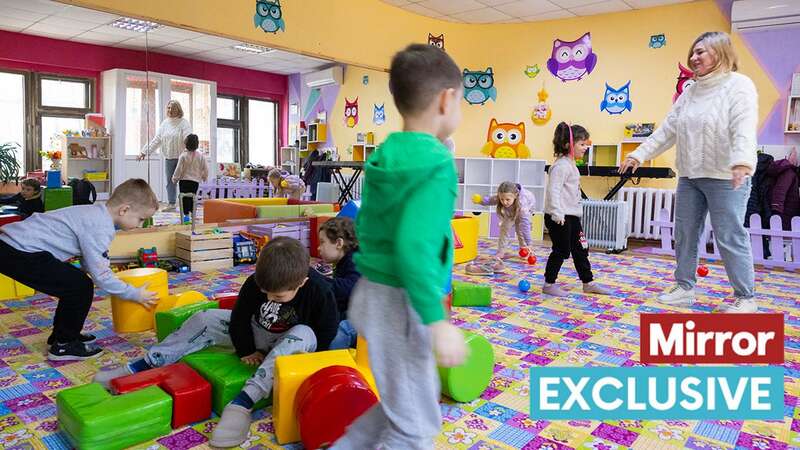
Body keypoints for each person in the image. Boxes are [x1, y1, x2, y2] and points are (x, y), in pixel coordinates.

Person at [331, 43, 467, 450]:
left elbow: (372, 226)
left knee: (403, 406)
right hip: (404, 303)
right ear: (447, 100)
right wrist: (437, 322)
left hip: (373, 294)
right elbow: (415, 246)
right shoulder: (435, 164)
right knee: (415, 427)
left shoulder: (388, 151)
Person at [93, 237, 339, 448]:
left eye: (277, 296)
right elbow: (240, 317)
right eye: (265, 292)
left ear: (302, 283)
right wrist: (247, 350)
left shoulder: (318, 290)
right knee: (206, 317)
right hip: (255, 333)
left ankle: (243, 402)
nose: (268, 297)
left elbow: (326, 331)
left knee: (305, 332)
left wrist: (309, 365)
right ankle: (143, 364)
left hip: (289, 342)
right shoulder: (256, 283)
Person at [619, 31, 759, 313]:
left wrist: (743, 161)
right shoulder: (690, 92)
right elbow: (668, 130)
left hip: (726, 176)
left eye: (701, 52)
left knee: (729, 236)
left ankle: (746, 298)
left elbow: (743, 126)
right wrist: (639, 154)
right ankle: (684, 288)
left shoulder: (739, 85)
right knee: (685, 233)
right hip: (690, 176)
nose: (693, 58)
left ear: (720, 53)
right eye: (692, 53)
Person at [0, 179, 159, 360]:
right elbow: (101, 276)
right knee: (80, 287)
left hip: (15, 247)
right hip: (20, 251)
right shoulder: (100, 226)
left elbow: (89, 261)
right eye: (141, 219)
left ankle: (61, 336)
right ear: (124, 210)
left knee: (76, 282)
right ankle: (64, 344)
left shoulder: (96, 213)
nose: (140, 224)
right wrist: (134, 294)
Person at [543, 122, 612, 297]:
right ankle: (549, 283)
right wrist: (557, 213)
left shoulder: (571, 165)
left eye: (586, 144)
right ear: (568, 145)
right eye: (582, 144)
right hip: (559, 216)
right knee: (561, 250)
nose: (585, 148)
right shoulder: (561, 166)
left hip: (572, 216)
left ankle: (588, 282)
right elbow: (553, 190)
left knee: (581, 249)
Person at [138, 100, 192, 211]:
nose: (170, 110)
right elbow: (157, 140)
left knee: (184, 182)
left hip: (183, 158)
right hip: (169, 158)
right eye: (168, 108)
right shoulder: (165, 123)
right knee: (170, 182)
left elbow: (188, 137)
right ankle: (172, 204)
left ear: (179, 109)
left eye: (173, 108)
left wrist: (191, 149)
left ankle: (185, 206)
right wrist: (144, 151)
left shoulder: (184, 123)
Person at [317, 217, 361, 350]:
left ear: (339, 243)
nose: (319, 248)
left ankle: (330, 362)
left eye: (322, 242)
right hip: (354, 311)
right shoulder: (344, 262)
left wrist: (316, 279)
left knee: (341, 332)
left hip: (366, 317)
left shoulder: (356, 260)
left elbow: (348, 289)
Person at [473, 181, 536, 259]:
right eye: (502, 199)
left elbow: (525, 225)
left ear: (515, 195)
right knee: (504, 228)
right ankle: (501, 251)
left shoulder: (523, 204)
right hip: (510, 212)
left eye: (507, 200)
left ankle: (524, 248)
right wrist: (480, 200)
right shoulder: (503, 197)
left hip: (526, 211)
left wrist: (529, 242)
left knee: (520, 230)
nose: (504, 202)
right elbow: (491, 200)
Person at [171, 134, 208, 218]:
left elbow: (178, 169)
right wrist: (205, 177)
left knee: (184, 199)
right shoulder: (201, 156)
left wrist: (175, 179)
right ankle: (192, 213)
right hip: (195, 182)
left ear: (186, 144)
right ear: (197, 144)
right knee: (193, 198)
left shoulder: (183, 156)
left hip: (184, 181)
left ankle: (186, 215)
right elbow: (205, 168)